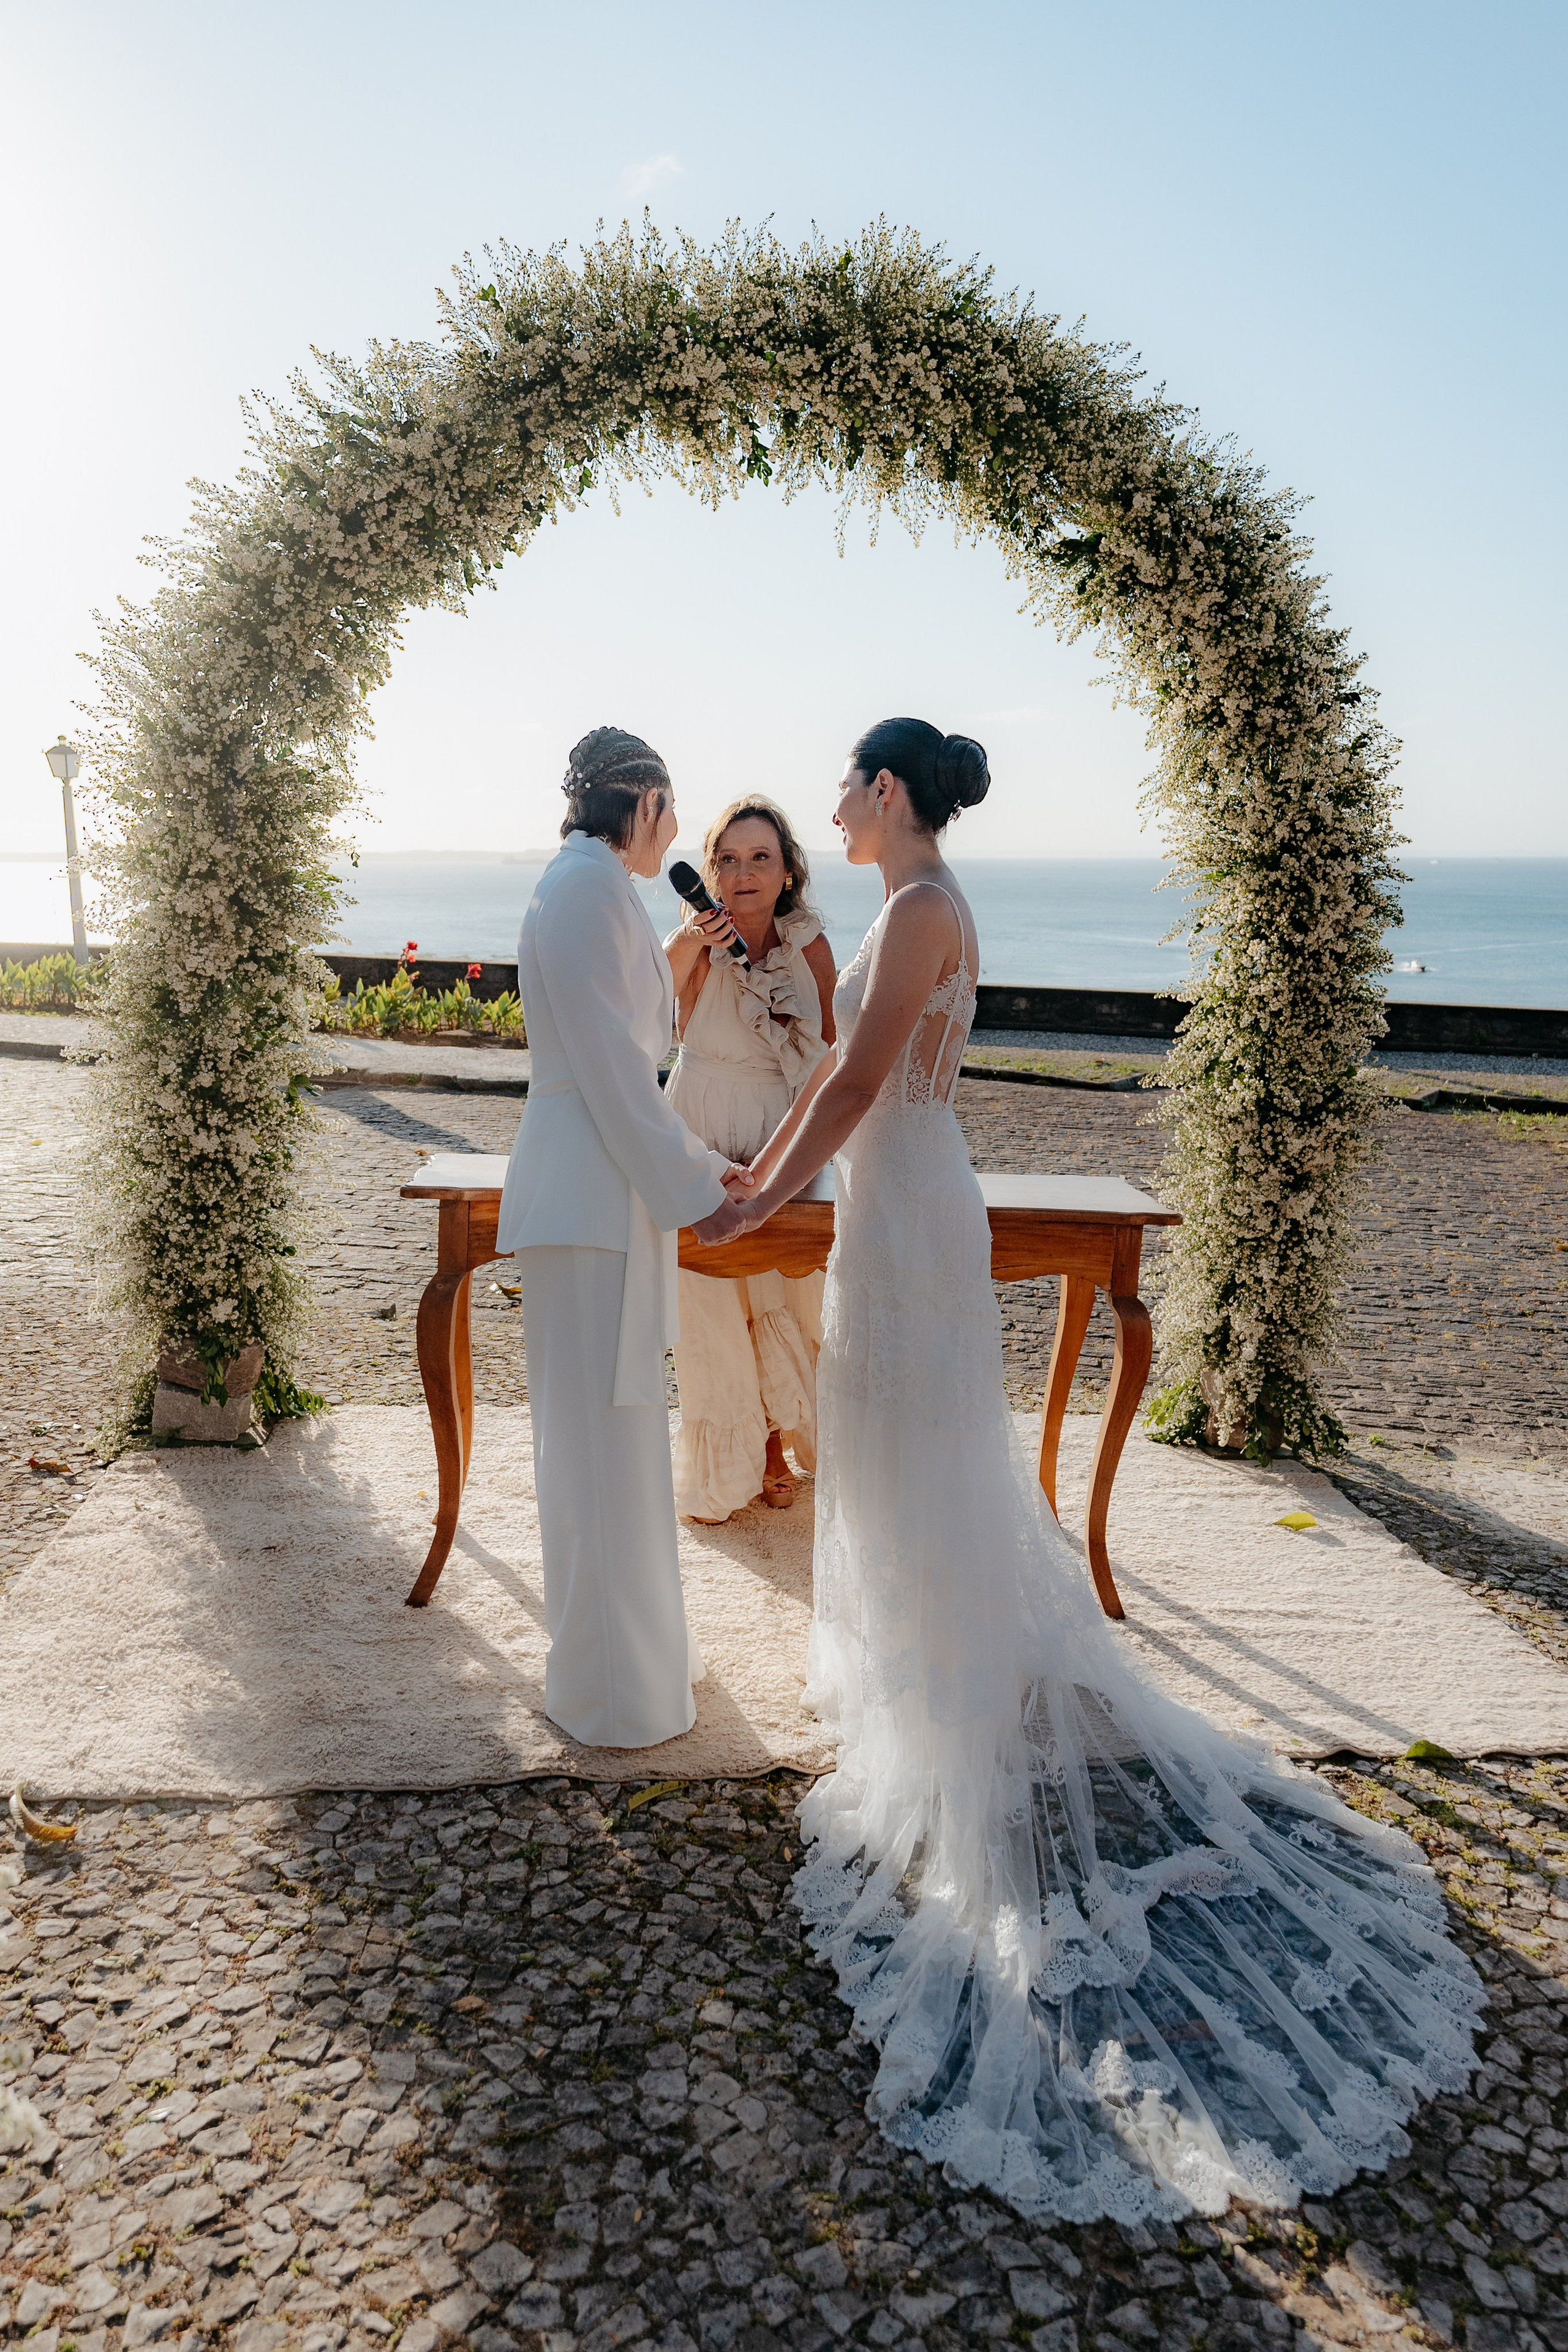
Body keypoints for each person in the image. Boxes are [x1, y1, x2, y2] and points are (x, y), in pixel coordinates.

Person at [694, 717, 1481, 2223]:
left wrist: (758, 1199)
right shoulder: (889, 907)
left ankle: (964, 1726)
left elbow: (857, 1089)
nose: (835, 805)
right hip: (887, 1201)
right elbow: (831, 1085)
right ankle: (925, 1683)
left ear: (892, 792)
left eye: (851, 784)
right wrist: (759, 1182)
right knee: (889, 1449)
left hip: (911, 1196)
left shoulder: (922, 910)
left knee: (926, 1454)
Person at [496, 728, 752, 1749]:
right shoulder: (590, 892)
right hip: (589, 1197)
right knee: (602, 1449)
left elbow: (626, 1068)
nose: (680, 832)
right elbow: (611, 1071)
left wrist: (696, 1161)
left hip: (597, 1192)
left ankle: (629, 1667)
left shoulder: (591, 887)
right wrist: (703, 1189)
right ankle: (613, 1694)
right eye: (673, 809)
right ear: (643, 803)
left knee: (612, 1443)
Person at [663, 795, 837, 1520]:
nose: (742, 874)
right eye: (727, 859)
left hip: (783, 1123)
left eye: (759, 858)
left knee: (787, 1287)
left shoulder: (811, 945)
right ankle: (742, 1453)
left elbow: (833, 1052)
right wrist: (692, 945)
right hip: (699, 1117)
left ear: (787, 869)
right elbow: (650, 1013)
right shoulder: (690, 940)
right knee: (712, 1295)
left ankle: (775, 1442)